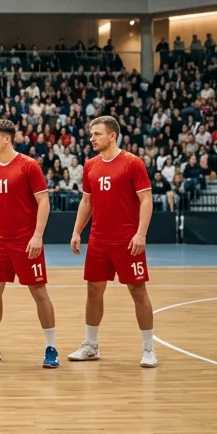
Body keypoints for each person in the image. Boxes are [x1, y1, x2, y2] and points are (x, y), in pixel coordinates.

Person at [68, 117, 158, 368]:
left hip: (127, 240)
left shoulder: (132, 163)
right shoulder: (90, 165)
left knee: (138, 291)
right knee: (93, 291)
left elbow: (146, 200)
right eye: (91, 134)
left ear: (112, 136)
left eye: (97, 134)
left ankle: (149, 348)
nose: (92, 138)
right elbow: (87, 202)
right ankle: (90, 346)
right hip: (98, 240)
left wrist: (141, 234)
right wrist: (77, 231)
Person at [0, 119, 59, 368]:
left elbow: (44, 202)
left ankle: (51, 347)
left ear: (7, 139)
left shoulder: (28, 166)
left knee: (39, 291)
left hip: (25, 240)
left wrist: (38, 236)